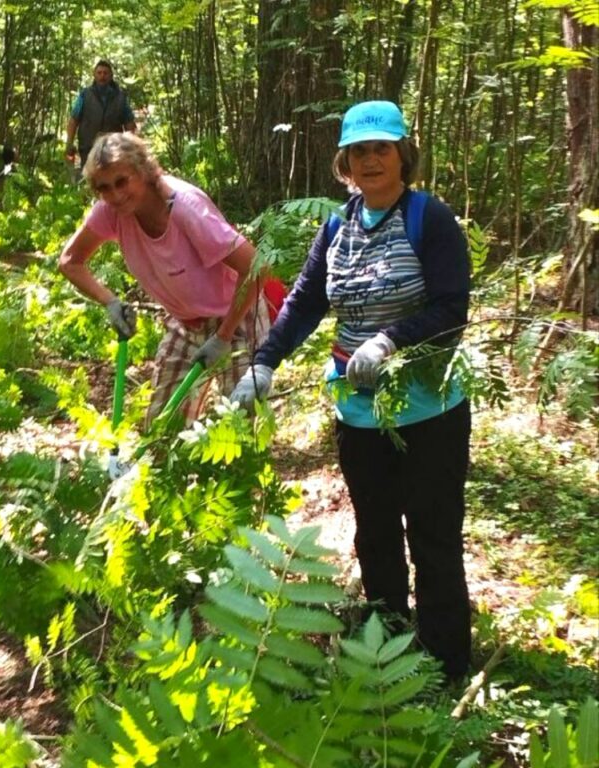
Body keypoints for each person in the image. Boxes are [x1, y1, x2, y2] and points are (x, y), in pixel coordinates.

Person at [231, 101, 472, 681]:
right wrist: (264, 363)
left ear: (401, 155)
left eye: (381, 149)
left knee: (434, 536)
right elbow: (305, 303)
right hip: (359, 413)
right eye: (359, 151)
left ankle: (445, 664)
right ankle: (385, 647)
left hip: (429, 408)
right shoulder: (337, 227)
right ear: (344, 162)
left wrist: (389, 341)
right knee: (376, 530)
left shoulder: (428, 218)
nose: (370, 160)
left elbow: (450, 307)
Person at [59, 132, 285, 429]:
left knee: (242, 425)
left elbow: (256, 268)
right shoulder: (111, 212)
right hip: (184, 324)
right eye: (104, 188)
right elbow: (70, 262)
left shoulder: (185, 208)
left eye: (122, 182)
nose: (115, 195)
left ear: (143, 172)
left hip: (238, 318)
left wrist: (223, 336)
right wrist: (110, 302)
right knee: (162, 428)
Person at [65, 60, 137, 170]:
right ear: (94, 75)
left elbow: (129, 123)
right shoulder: (85, 95)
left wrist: (131, 147)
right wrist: (69, 142)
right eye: (99, 73)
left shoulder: (120, 97)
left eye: (105, 73)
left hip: (113, 149)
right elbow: (74, 120)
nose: (102, 76)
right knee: (89, 181)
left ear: (111, 76)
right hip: (88, 148)